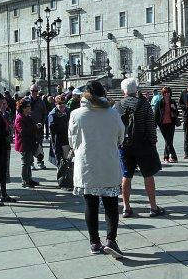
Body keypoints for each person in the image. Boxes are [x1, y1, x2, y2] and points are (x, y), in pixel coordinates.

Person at [68, 81, 125, 258]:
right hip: (107, 163)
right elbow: (120, 137)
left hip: (87, 164)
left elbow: (72, 141)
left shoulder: (76, 114)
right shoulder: (112, 113)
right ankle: (111, 240)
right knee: (111, 204)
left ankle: (94, 242)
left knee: (90, 205)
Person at [115, 78, 165, 219]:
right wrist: (153, 142)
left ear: (123, 90)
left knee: (126, 175)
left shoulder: (117, 106)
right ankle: (153, 207)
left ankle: (126, 207)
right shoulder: (144, 104)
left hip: (124, 145)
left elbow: (114, 127)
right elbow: (151, 125)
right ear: (136, 90)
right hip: (143, 144)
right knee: (148, 175)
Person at [15, 98, 41, 187]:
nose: (30, 108)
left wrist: (36, 127)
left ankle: (29, 179)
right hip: (23, 144)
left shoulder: (27, 117)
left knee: (29, 162)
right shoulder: (19, 118)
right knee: (25, 163)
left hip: (29, 143)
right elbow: (22, 131)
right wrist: (35, 127)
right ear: (23, 108)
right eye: (28, 107)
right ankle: (25, 180)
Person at [155, 86, 179, 163]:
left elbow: (177, 113)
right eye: (165, 93)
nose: (166, 94)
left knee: (169, 141)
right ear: (163, 94)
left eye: (168, 93)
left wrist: (174, 109)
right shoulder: (159, 102)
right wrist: (156, 124)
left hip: (171, 123)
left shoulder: (173, 102)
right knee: (167, 140)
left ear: (170, 93)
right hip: (162, 124)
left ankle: (166, 157)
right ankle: (173, 156)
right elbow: (156, 114)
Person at [28, 85, 47, 170]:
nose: (34, 92)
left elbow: (44, 114)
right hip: (29, 127)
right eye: (32, 90)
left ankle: (40, 161)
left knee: (39, 145)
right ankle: (31, 162)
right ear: (30, 91)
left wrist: (42, 124)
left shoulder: (41, 102)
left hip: (39, 127)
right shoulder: (26, 100)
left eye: (35, 91)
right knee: (30, 145)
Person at [48, 95, 70, 167]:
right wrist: (61, 119)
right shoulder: (53, 114)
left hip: (67, 140)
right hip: (58, 142)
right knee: (60, 164)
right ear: (56, 104)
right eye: (60, 103)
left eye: (64, 103)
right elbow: (53, 130)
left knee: (68, 162)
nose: (62, 105)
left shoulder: (67, 111)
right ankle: (61, 177)